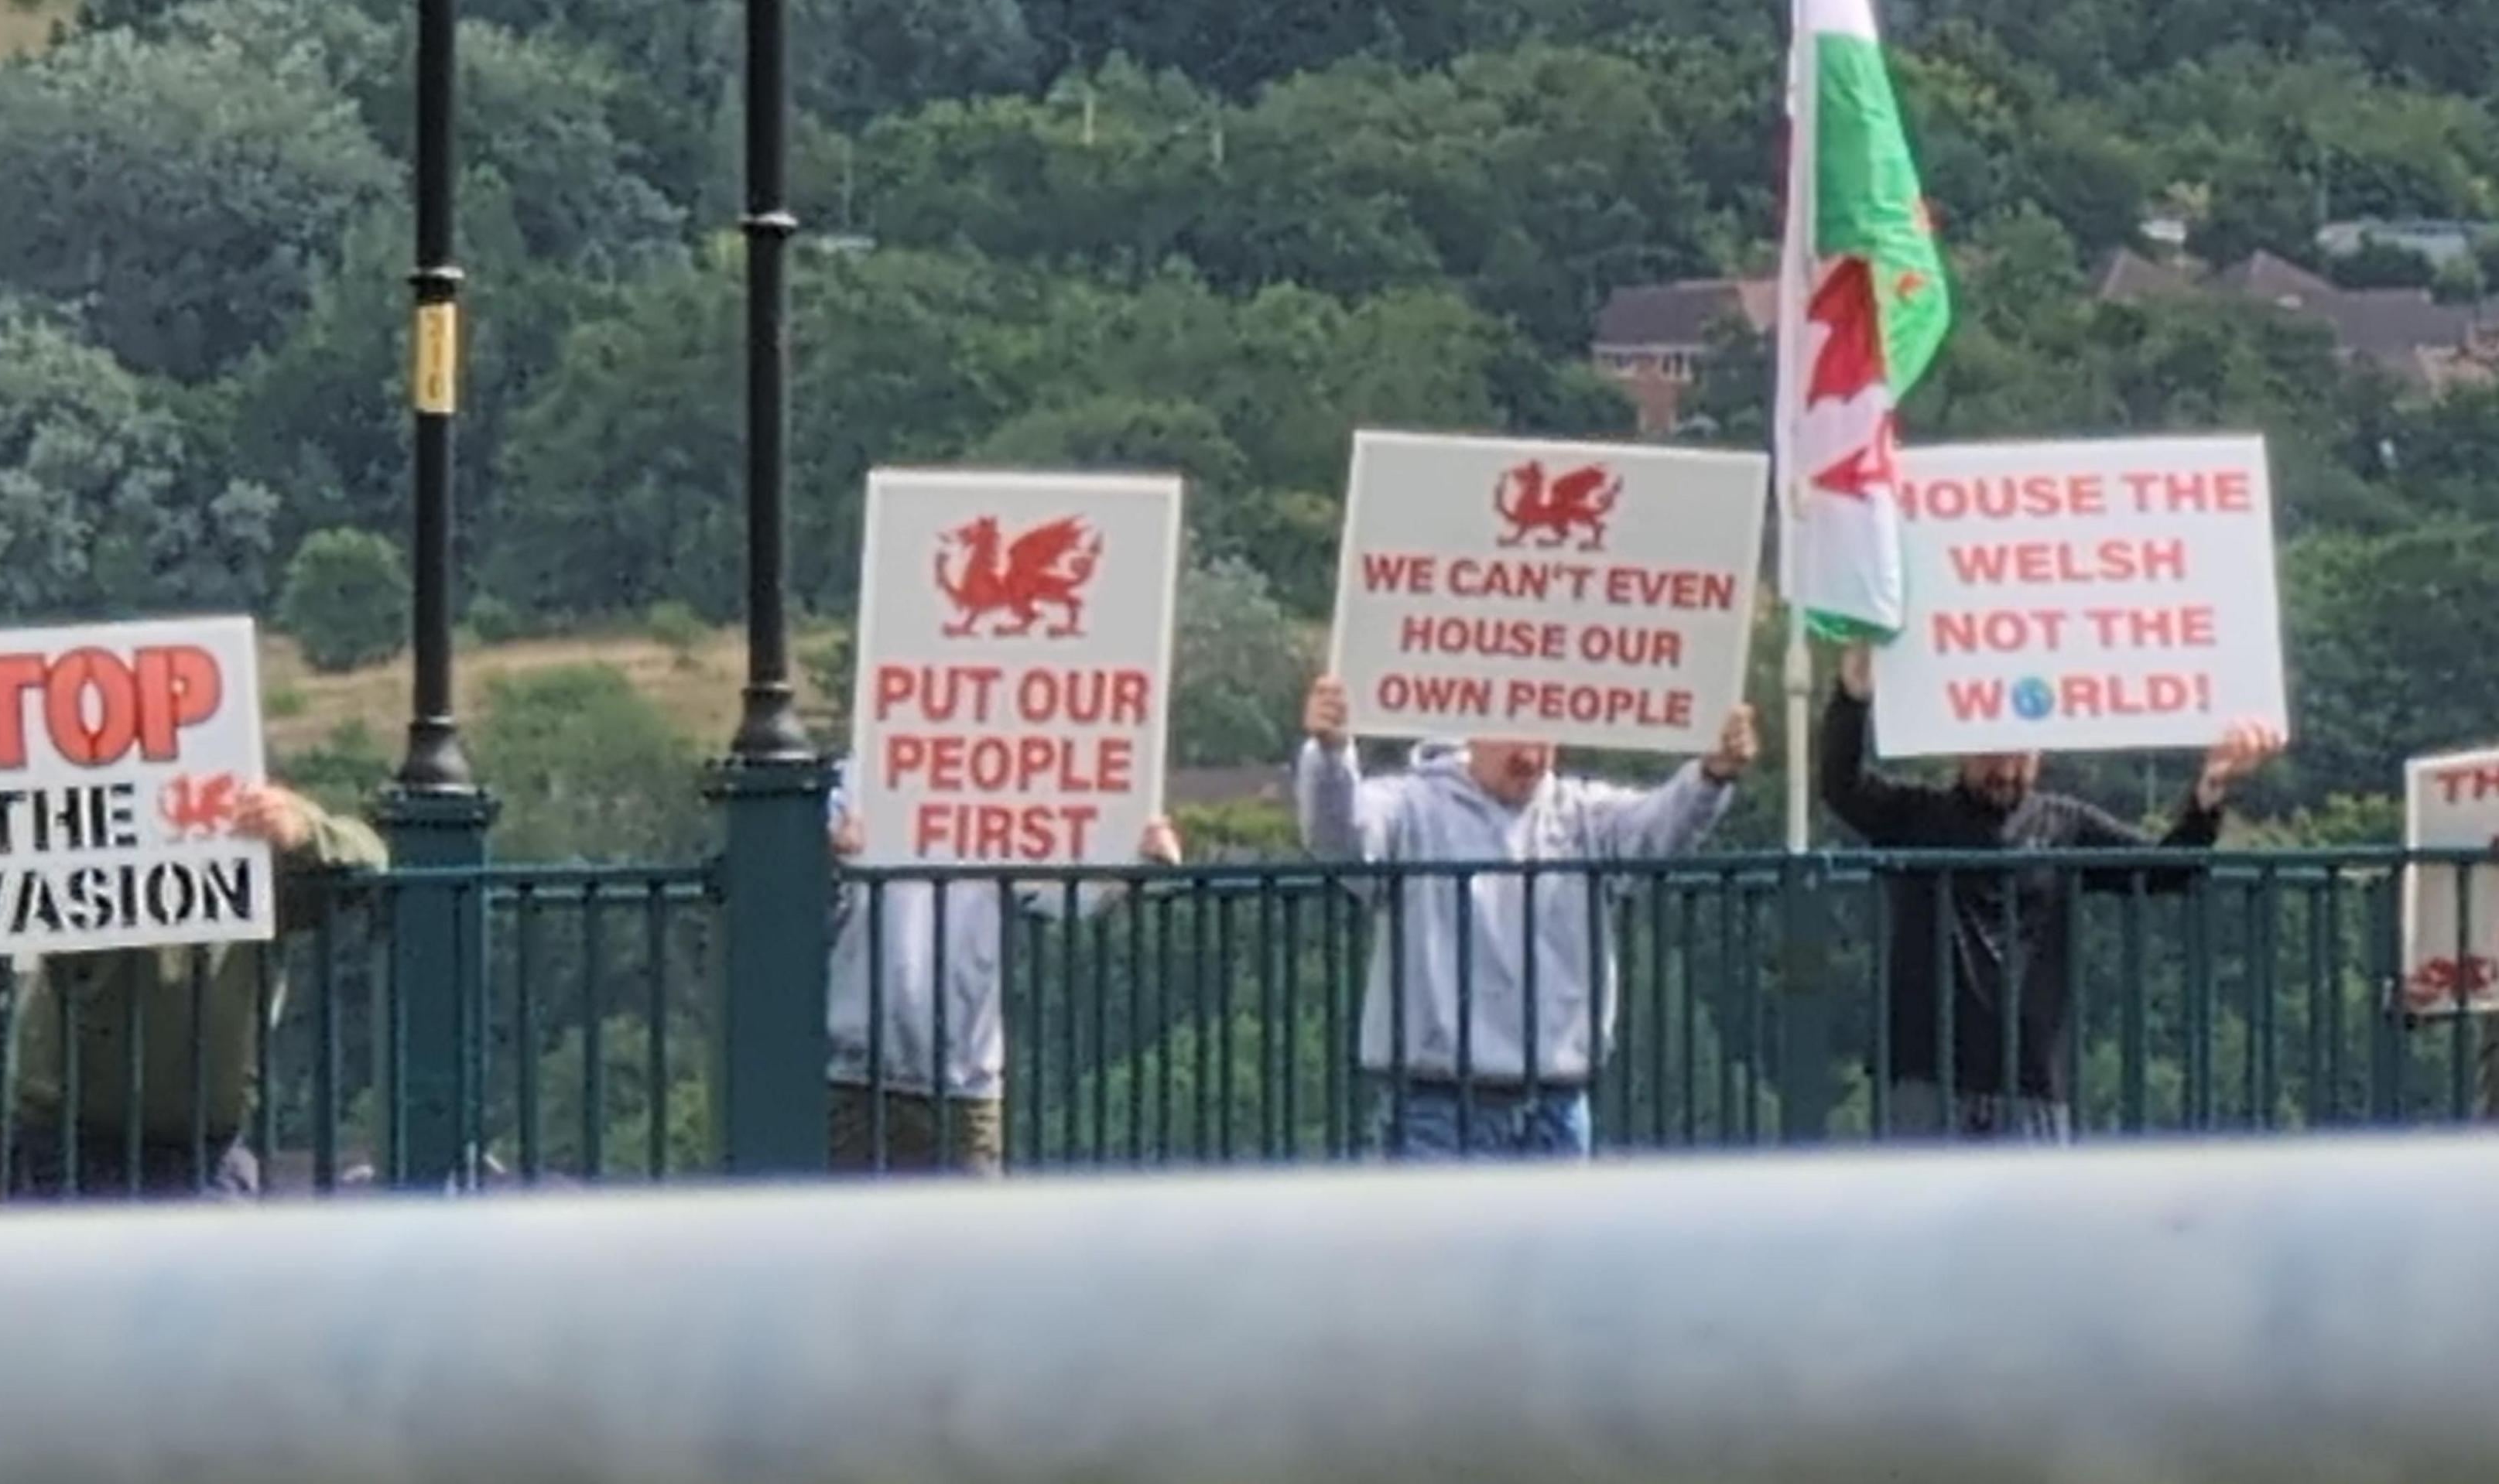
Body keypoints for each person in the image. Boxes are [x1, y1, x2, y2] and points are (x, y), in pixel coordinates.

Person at [1819, 643, 2284, 1142]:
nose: (2006, 768)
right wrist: (1852, 697)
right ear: (1959, 748)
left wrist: (2208, 794)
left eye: (2020, 753)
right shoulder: (1916, 815)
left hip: (2032, 1079)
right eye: (1990, 752)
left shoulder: (2065, 824)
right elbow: (1841, 785)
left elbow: (2166, 871)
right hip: (1928, 1072)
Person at [0, 780, 385, 1199]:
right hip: (65, 1141)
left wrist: (300, 828)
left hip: (199, 1147)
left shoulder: (252, 835)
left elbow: (369, 858)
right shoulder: (70, 824)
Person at [1296, 674, 1758, 1159]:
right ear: (1470, 732)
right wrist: (1330, 755)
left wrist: (1712, 775)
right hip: (1435, 1101)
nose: (1531, 757)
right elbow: (1339, 839)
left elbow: (1661, 828)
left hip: (1556, 1100)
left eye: (1543, 737)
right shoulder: (1411, 806)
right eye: (1515, 735)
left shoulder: (1580, 813)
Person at [826, 762, 1182, 1175]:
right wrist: (828, 852)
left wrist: (1136, 860)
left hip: (951, 1077)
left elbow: (1069, 894)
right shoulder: (853, 782)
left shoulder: (1001, 783)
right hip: (865, 1073)